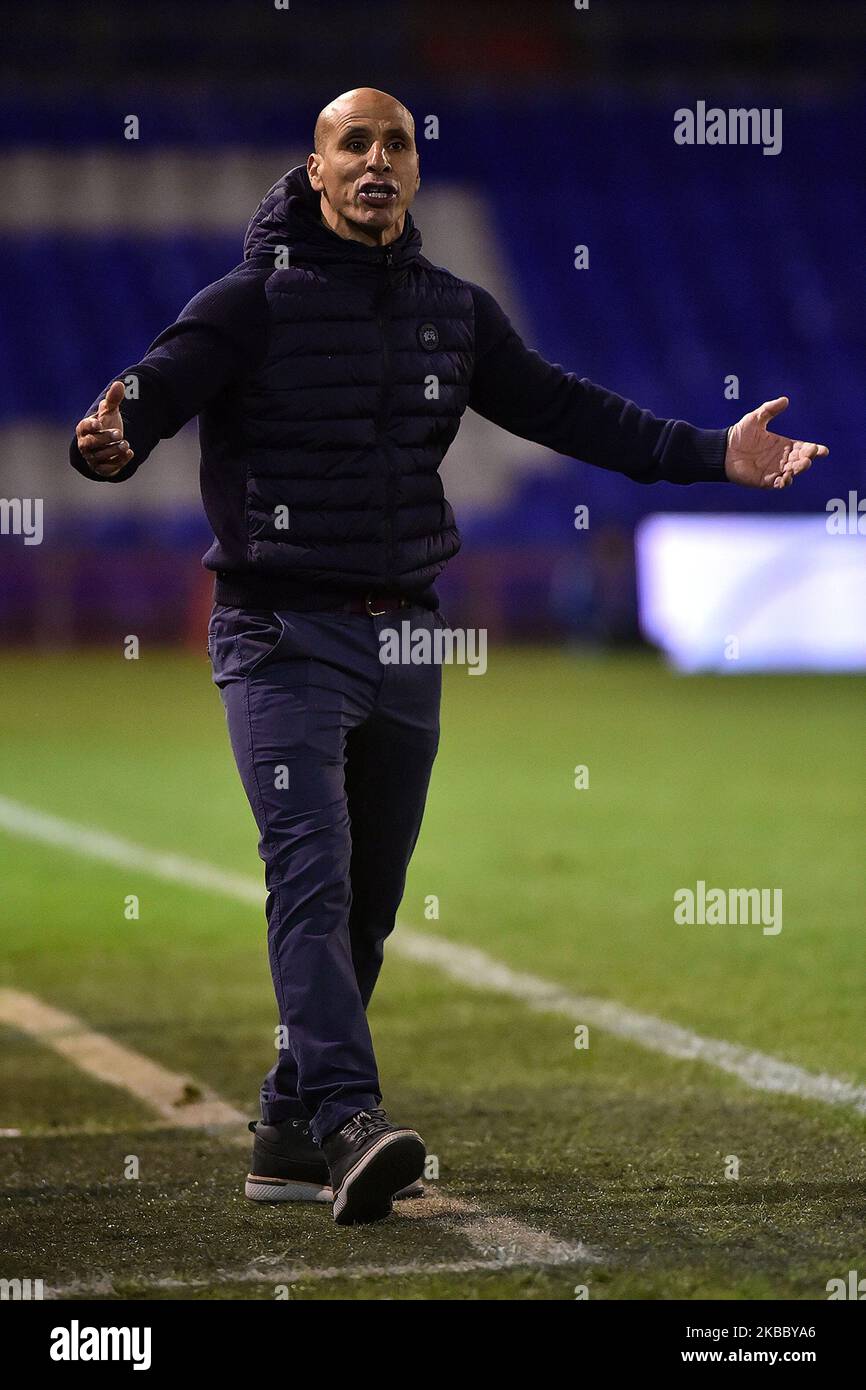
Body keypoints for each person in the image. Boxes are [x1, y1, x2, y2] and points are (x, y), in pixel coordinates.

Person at [71, 87, 829, 1225]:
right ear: (316, 170)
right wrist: (114, 430)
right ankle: (345, 1120)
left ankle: (282, 1126)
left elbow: (566, 411)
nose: (376, 161)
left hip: (405, 632)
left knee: (368, 900)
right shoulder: (247, 305)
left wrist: (709, 453)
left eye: (396, 145)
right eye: (353, 144)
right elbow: (152, 390)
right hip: (279, 631)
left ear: (414, 172)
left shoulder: (453, 312)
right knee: (311, 874)